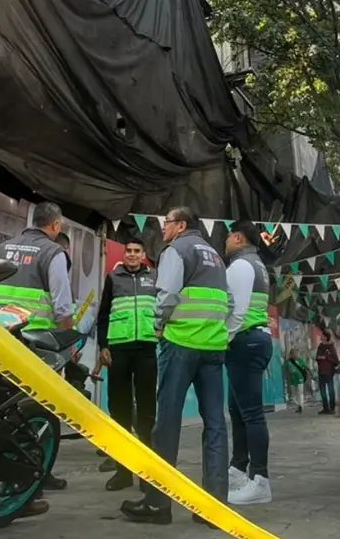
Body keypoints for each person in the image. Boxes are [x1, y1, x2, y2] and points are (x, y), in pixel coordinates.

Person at [120, 206, 231, 527]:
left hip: (181, 344)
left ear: (180, 225)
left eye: (166, 223)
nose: (163, 229)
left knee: (166, 424)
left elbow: (166, 293)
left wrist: (158, 324)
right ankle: (214, 508)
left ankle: (158, 504)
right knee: (216, 425)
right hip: (213, 347)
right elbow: (230, 302)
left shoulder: (176, 250)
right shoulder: (215, 256)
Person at [0, 202, 77, 515]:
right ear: (55, 225)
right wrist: (69, 343)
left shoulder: (1, 247)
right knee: (36, 418)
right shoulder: (53, 254)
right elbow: (63, 307)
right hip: (36, 348)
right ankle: (24, 492)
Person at [95, 238, 159, 491]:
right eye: (129, 251)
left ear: (144, 255)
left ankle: (147, 474)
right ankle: (122, 472)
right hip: (118, 352)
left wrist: (162, 329)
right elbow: (103, 315)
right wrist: (103, 346)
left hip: (146, 350)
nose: (132, 255)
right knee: (118, 410)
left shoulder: (154, 279)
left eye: (137, 251)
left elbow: (164, 309)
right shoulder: (113, 278)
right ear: (124, 254)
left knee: (146, 412)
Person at [223, 221, 274, 505]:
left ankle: (259, 480)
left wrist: (222, 340)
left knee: (251, 414)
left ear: (239, 238)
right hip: (251, 340)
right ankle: (238, 469)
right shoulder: (257, 264)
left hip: (245, 340)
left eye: (229, 235)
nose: (226, 240)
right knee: (239, 410)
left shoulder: (241, 266)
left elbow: (237, 312)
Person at [315, 331, 340, 414]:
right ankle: (325, 407)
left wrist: (326, 357)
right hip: (321, 370)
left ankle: (332, 407)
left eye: (322, 335)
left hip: (329, 371)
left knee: (330, 389)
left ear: (326, 337)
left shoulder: (331, 347)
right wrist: (321, 357)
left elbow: (336, 360)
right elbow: (317, 357)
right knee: (322, 390)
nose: (321, 336)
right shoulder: (320, 346)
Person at [283, 348, 309, 412]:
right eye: (294, 353)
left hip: (300, 379)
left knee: (300, 393)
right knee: (293, 396)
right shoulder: (288, 362)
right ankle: (298, 405)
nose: (296, 355)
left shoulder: (300, 360)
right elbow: (285, 370)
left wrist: (309, 375)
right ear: (291, 354)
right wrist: (286, 378)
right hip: (292, 380)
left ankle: (300, 406)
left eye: (296, 353)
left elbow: (306, 367)